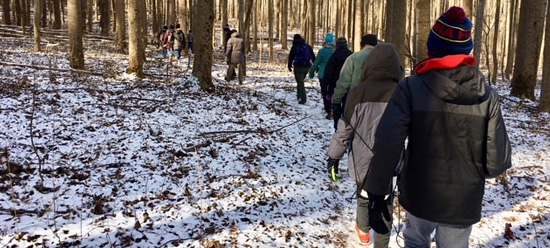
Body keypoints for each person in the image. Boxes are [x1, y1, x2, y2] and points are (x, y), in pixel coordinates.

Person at [363, 6, 512, 248]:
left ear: (431, 48)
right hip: (463, 200)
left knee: (415, 242)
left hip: (420, 193)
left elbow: (388, 143)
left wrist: (377, 194)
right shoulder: (487, 95)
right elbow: (496, 163)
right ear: (467, 51)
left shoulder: (410, 88)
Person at [326, 43, 404, 247]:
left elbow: (345, 129)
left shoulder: (358, 92)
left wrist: (333, 157)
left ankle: (363, 231)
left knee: (363, 195)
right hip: (391, 159)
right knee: (385, 201)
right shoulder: (402, 92)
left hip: (361, 158)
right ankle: (381, 243)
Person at [331, 34, 377, 129]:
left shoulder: (354, 58)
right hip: (379, 104)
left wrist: (336, 100)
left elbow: (344, 82)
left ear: (362, 44)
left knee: (354, 131)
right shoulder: (385, 59)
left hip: (356, 102)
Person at [324, 37, 352, 128]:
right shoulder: (351, 55)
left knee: (336, 104)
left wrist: (327, 85)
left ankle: (337, 126)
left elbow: (328, 72)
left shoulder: (334, 56)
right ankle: (346, 124)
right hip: (349, 86)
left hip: (335, 85)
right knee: (347, 105)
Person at [309, 34, 336, 119]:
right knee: (333, 92)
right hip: (333, 75)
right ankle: (333, 108)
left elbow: (316, 63)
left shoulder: (322, 51)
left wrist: (312, 72)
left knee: (325, 93)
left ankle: (328, 111)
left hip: (323, 75)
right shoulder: (335, 51)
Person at [288, 34, 315, 104]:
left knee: (300, 82)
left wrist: (289, 66)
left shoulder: (295, 47)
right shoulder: (307, 46)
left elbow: (291, 57)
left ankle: (303, 99)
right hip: (307, 67)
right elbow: (313, 56)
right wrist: (315, 66)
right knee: (300, 81)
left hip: (298, 67)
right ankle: (298, 95)